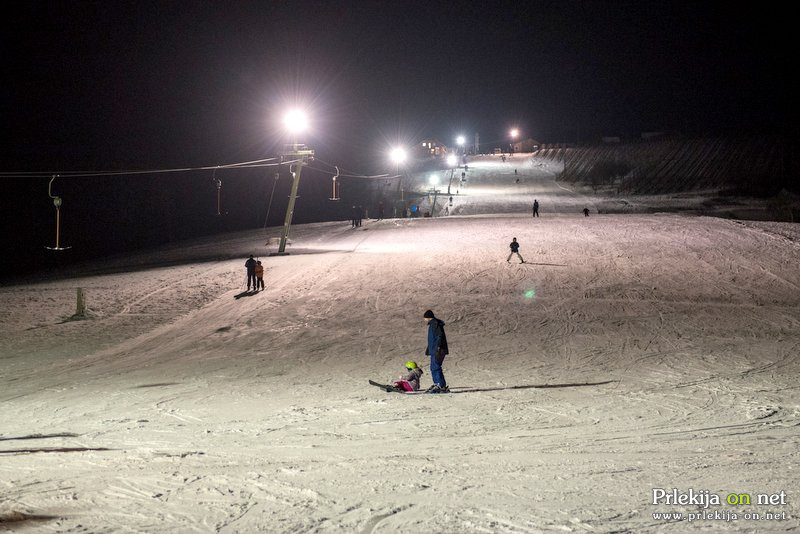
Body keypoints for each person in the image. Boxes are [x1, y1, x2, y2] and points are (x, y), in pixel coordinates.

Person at [423, 310, 449, 393]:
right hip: (434, 350)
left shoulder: (435, 324)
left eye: (425, 317)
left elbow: (439, 336)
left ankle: (440, 385)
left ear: (428, 317)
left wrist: (438, 347)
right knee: (434, 367)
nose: (424, 319)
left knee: (435, 367)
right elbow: (432, 339)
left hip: (438, 350)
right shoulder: (433, 324)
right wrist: (429, 349)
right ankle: (438, 384)